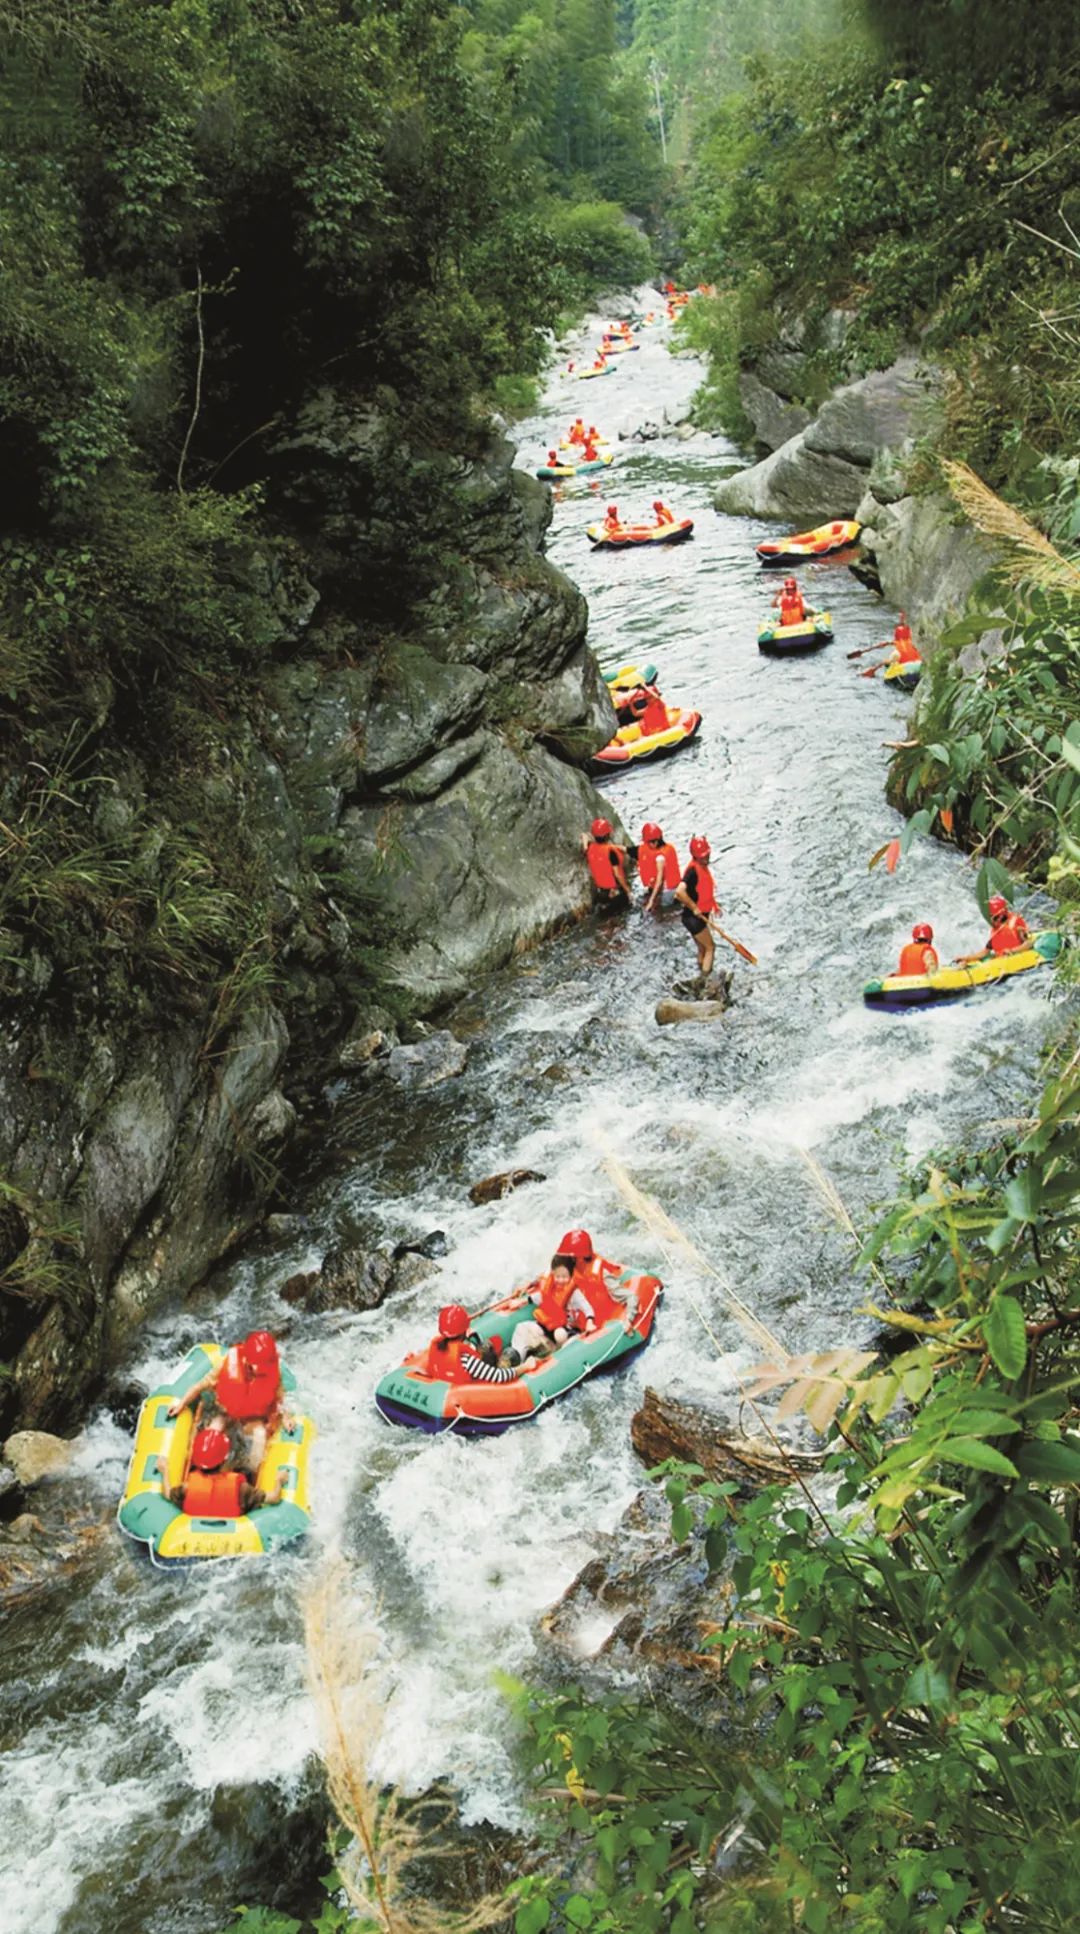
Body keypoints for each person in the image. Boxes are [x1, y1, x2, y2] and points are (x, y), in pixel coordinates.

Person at [167, 1330, 294, 1479]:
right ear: (247, 1359)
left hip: (253, 1419)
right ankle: (200, 1472)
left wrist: (286, 1418)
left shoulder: (272, 1371)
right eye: (259, 1365)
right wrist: (181, 1404)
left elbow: (280, 1401)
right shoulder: (226, 1365)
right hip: (226, 1413)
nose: (262, 1370)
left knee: (260, 1435)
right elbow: (200, 1386)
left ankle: (248, 1477)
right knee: (213, 1430)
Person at [162, 1426, 285, 1519]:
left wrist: (165, 1471)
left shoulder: (187, 1487)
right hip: (234, 1534)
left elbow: (168, 1494)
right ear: (224, 1459)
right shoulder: (241, 1489)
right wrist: (279, 1481)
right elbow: (274, 1498)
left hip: (195, 1535)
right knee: (247, 1472)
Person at [423, 1304, 518, 1384]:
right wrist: (526, 1366)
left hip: (450, 1381)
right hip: (476, 1389)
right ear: (463, 1331)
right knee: (510, 1353)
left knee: (488, 1345)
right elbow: (499, 1376)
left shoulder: (436, 1347)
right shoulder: (467, 1360)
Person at [674, 835, 719, 981]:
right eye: (702, 857)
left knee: (702, 948)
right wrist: (694, 907)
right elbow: (679, 892)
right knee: (711, 947)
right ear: (695, 856)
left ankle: (700, 974)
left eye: (707, 855)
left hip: (693, 917)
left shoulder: (700, 867)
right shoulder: (692, 872)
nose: (705, 859)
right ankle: (705, 980)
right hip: (694, 918)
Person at [958, 895, 1030, 962]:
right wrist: (965, 958)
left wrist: (1012, 951)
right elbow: (984, 952)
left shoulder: (1016, 923)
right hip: (1001, 961)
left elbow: (1028, 943)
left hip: (1018, 958)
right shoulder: (996, 929)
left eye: (993, 917)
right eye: (989, 917)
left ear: (1001, 915)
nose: (990, 921)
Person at [582, 816, 630, 907]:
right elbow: (618, 875)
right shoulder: (611, 851)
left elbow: (584, 836)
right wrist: (628, 891)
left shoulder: (590, 848)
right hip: (614, 893)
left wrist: (586, 842)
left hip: (601, 893)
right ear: (608, 835)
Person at [637, 822, 681, 911]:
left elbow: (659, 880)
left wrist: (651, 901)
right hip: (673, 887)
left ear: (654, 842)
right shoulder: (668, 848)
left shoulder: (659, 857)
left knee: (660, 911)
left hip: (667, 891)